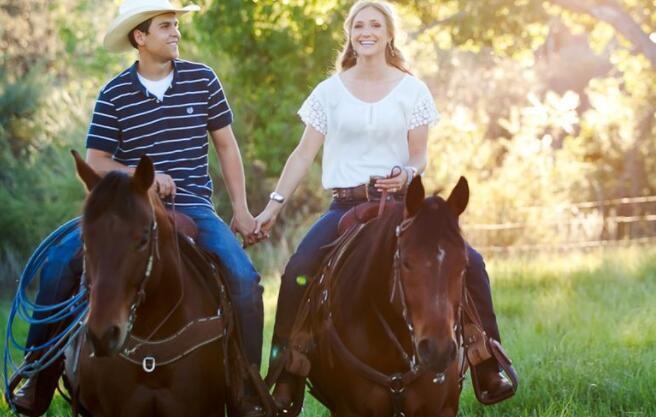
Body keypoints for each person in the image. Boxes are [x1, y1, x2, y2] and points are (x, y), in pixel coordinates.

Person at [253, 0, 515, 410]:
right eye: (359, 25)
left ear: (389, 33)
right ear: (350, 34)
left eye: (375, 24)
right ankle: (288, 371)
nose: (367, 31)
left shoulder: (412, 89)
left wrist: (409, 174)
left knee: (473, 262)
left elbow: (419, 153)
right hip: (346, 206)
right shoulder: (329, 92)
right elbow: (303, 154)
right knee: (299, 269)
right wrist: (272, 207)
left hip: (401, 206)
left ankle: (487, 360)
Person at [7, 1, 266, 416]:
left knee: (244, 280)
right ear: (140, 37)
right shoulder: (115, 92)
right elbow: (96, 161)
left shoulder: (203, 80)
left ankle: (247, 388)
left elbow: (226, 146)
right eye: (166, 26)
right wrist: (140, 174)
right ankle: (38, 378)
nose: (176, 33)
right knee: (57, 265)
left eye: (176, 25)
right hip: (127, 209)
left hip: (193, 204)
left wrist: (241, 208)